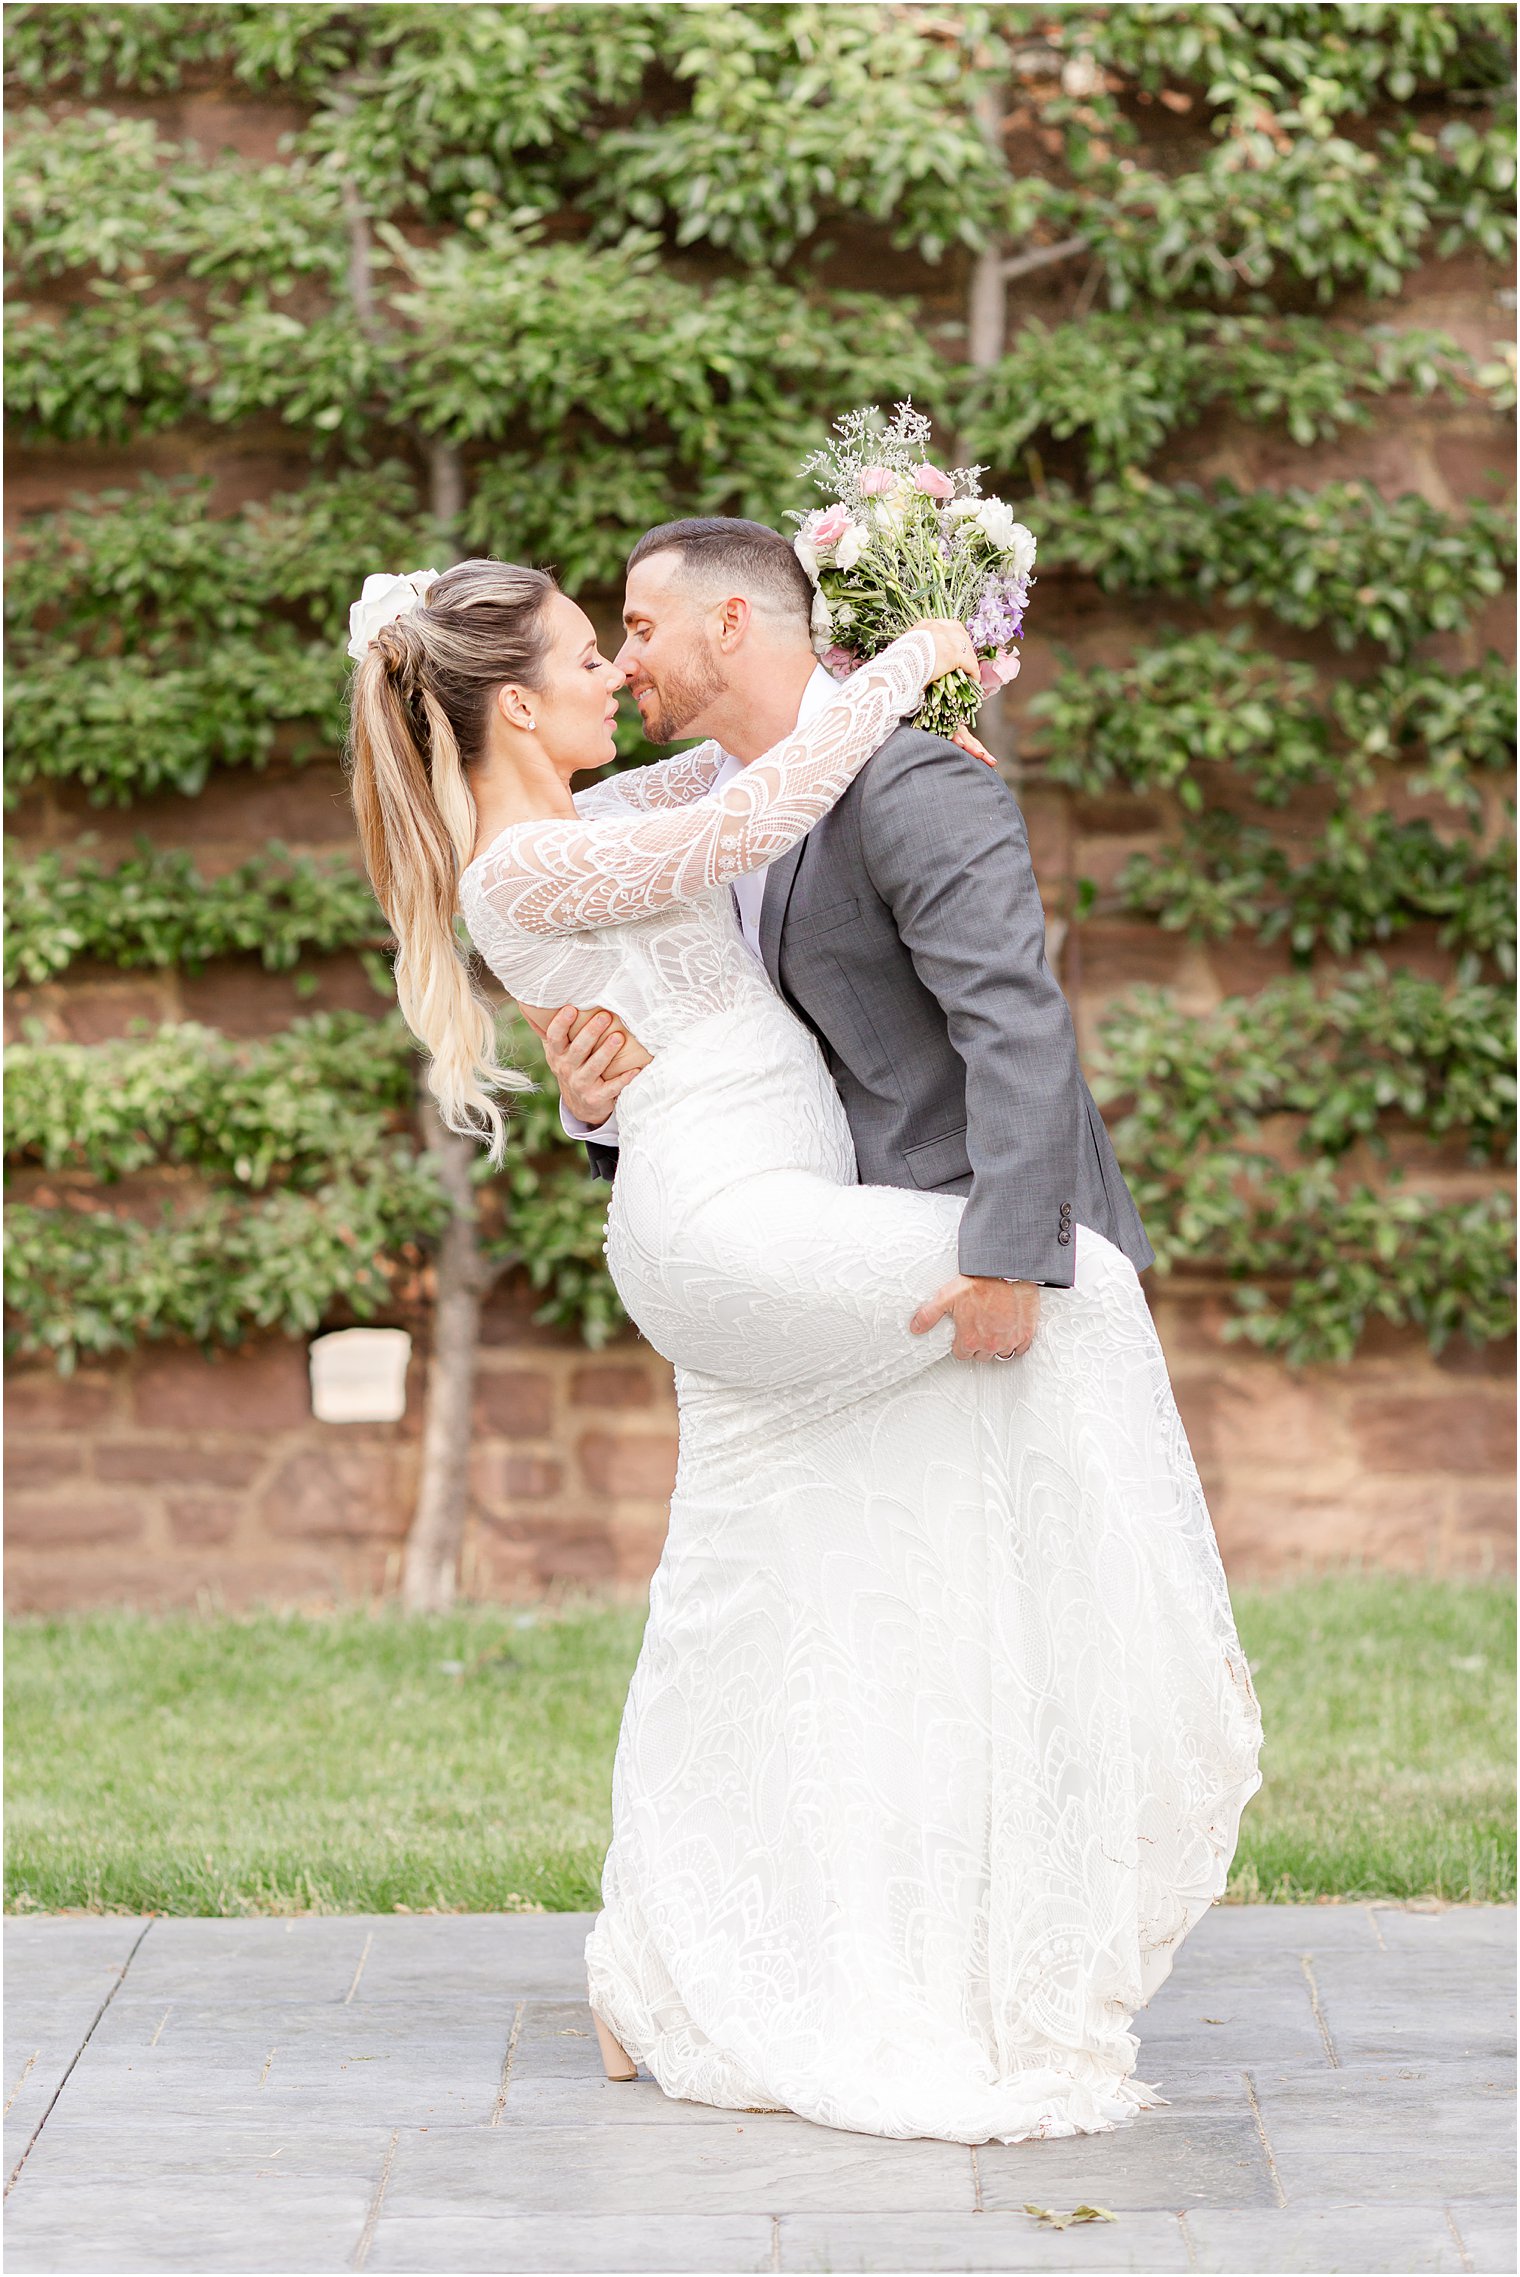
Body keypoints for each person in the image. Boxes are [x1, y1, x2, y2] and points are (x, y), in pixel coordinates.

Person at [344, 543, 1262, 2148]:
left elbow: (742, 768)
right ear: (503, 707)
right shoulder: (525, 864)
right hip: (725, 1224)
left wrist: (913, 702)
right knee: (1082, 1291)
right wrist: (907, 663)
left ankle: (663, 1962)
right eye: (580, 658)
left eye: (622, 640)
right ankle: (1119, 1673)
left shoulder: (598, 817)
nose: (611, 676)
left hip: (757, 1201)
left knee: (751, 1588)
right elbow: (750, 814)